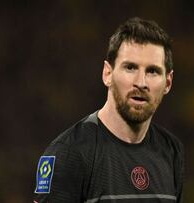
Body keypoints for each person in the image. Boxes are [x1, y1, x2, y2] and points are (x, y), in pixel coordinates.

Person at [33, 17, 184, 203]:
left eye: (152, 71)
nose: (141, 82)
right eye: (130, 67)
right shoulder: (70, 153)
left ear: (168, 82)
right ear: (108, 73)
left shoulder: (171, 150)